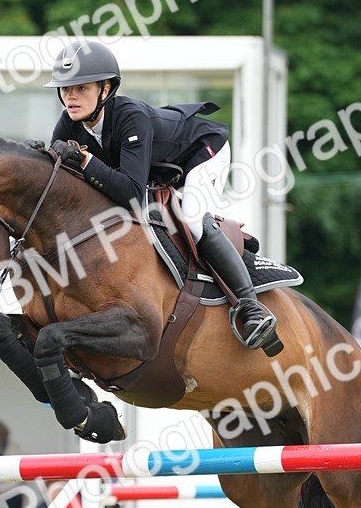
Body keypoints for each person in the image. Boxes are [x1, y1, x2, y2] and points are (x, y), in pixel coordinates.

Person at [46, 39, 279, 352]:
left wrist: (86, 162)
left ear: (105, 89)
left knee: (194, 220)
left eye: (81, 88)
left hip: (202, 153)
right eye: (64, 89)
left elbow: (130, 192)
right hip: (160, 171)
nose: (70, 97)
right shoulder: (69, 124)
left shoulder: (129, 117)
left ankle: (251, 309)